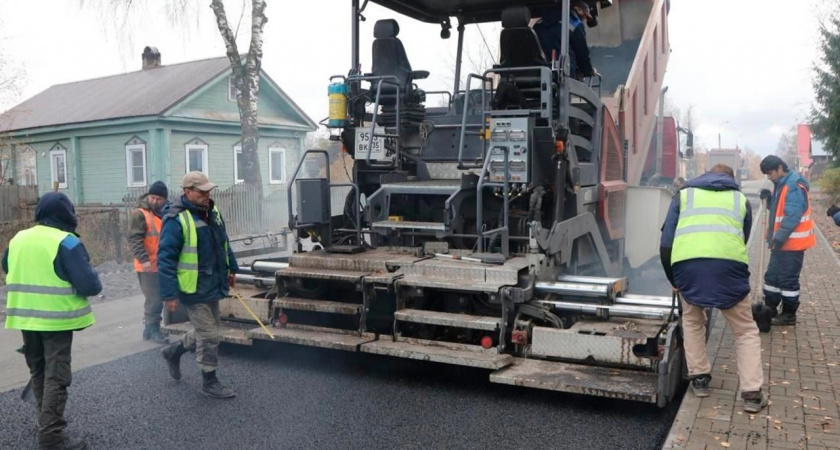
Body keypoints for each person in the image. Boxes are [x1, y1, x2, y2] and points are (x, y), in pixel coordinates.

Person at [660, 164, 767, 413]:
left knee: (693, 321)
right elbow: (743, 236)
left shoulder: (684, 196)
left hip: (688, 269)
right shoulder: (740, 199)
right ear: (729, 179)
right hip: (729, 269)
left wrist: (673, 279)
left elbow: (666, 244)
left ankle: (699, 378)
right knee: (744, 331)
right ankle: (751, 394)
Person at [3, 192, 102, 450]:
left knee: (38, 371)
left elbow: (7, 265)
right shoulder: (66, 242)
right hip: (55, 321)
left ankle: (45, 422)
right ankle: (51, 437)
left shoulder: (18, 239)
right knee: (56, 377)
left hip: (25, 317)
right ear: (67, 216)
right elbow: (90, 284)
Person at [158, 171, 239, 399]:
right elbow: (165, 259)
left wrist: (231, 269)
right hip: (192, 287)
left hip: (213, 282)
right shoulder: (177, 219)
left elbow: (224, 243)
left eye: (208, 190)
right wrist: (169, 294)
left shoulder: (212, 212)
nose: (207, 194)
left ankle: (173, 351)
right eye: (202, 191)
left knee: (206, 331)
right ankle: (209, 380)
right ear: (187, 192)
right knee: (210, 336)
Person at [759, 155, 815, 326]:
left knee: (787, 279)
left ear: (780, 168)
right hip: (780, 243)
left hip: (791, 244)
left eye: (770, 173)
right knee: (772, 277)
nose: (769, 177)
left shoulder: (793, 186)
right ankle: (770, 308)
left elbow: (792, 216)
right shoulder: (781, 184)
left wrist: (780, 238)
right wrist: (769, 200)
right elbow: (779, 210)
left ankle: (789, 314)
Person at [130, 181, 169, 343]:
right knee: (154, 299)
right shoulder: (140, 214)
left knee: (157, 298)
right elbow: (134, 239)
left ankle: (150, 329)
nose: (155, 201)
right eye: (153, 197)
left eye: (159, 199)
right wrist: (144, 260)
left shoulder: (162, 213)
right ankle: (152, 330)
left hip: (159, 264)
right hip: (147, 265)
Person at [533, 1, 598, 80]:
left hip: (539, 74)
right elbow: (582, 53)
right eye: (584, 15)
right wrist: (589, 71)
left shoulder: (538, 24)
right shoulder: (574, 24)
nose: (584, 19)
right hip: (564, 75)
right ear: (577, 8)